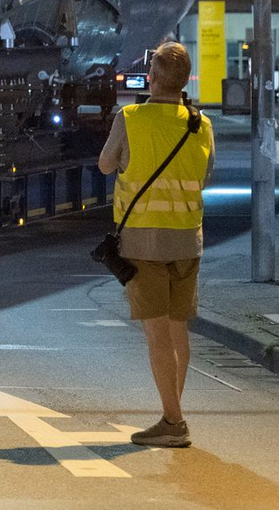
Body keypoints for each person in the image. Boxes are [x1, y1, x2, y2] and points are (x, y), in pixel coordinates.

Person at [98, 39, 214, 448]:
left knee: (156, 335)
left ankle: (173, 421)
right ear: (183, 82)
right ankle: (172, 412)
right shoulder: (200, 124)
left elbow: (106, 164)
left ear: (151, 79)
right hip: (188, 240)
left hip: (144, 242)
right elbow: (205, 174)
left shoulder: (130, 117)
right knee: (178, 331)